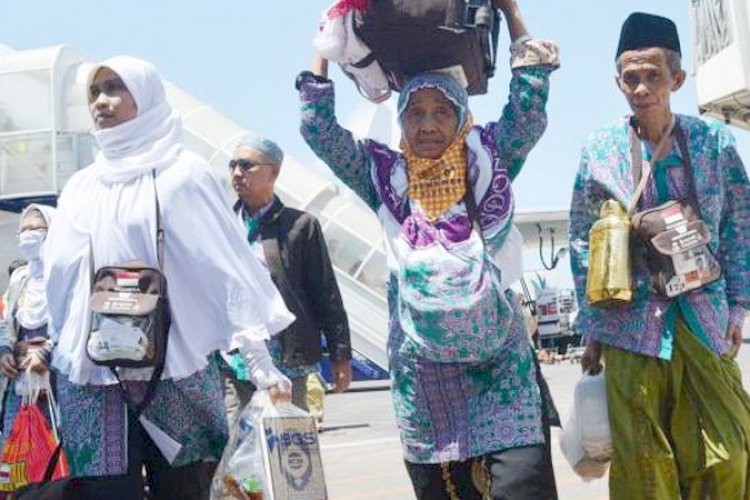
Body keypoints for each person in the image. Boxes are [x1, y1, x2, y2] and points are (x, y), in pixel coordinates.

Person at [298, 0, 560, 497]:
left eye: (442, 110)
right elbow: (319, 131)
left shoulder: (490, 158)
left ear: (461, 116)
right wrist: (327, 44)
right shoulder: (382, 176)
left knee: (523, 485)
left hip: (500, 370)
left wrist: (512, 13)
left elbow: (528, 108)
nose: (428, 124)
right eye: (415, 112)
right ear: (400, 121)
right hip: (425, 381)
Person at [43, 56, 295, 499]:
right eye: (94, 93)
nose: (102, 101)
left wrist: (257, 359)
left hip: (174, 371)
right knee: (103, 492)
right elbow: (60, 282)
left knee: (186, 489)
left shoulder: (182, 173)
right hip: (94, 377)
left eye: (116, 88)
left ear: (148, 95)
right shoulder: (82, 186)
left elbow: (225, 268)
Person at [569, 12, 750, 498]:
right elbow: (581, 240)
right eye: (632, 77)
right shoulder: (601, 149)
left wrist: (738, 308)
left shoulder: (713, 142)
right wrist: (592, 329)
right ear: (617, 81)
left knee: (728, 456)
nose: (642, 88)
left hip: (703, 319)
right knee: (647, 469)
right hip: (630, 325)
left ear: (677, 79)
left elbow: (739, 227)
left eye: (653, 76)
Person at [223, 135, 352, 427]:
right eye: (232, 165)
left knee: (289, 445)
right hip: (234, 357)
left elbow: (325, 293)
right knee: (235, 446)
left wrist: (340, 354)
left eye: (246, 165)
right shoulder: (222, 224)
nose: (236, 173)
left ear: (274, 172)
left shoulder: (300, 226)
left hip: (287, 357)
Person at [0, 206, 55, 437]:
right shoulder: (20, 277)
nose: (28, 235)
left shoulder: (64, 274)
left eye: (36, 228)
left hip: (57, 381)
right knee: (20, 453)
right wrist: (4, 351)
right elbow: (6, 320)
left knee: (56, 453)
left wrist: (46, 353)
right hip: (22, 380)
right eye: (24, 230)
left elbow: (73, 325)